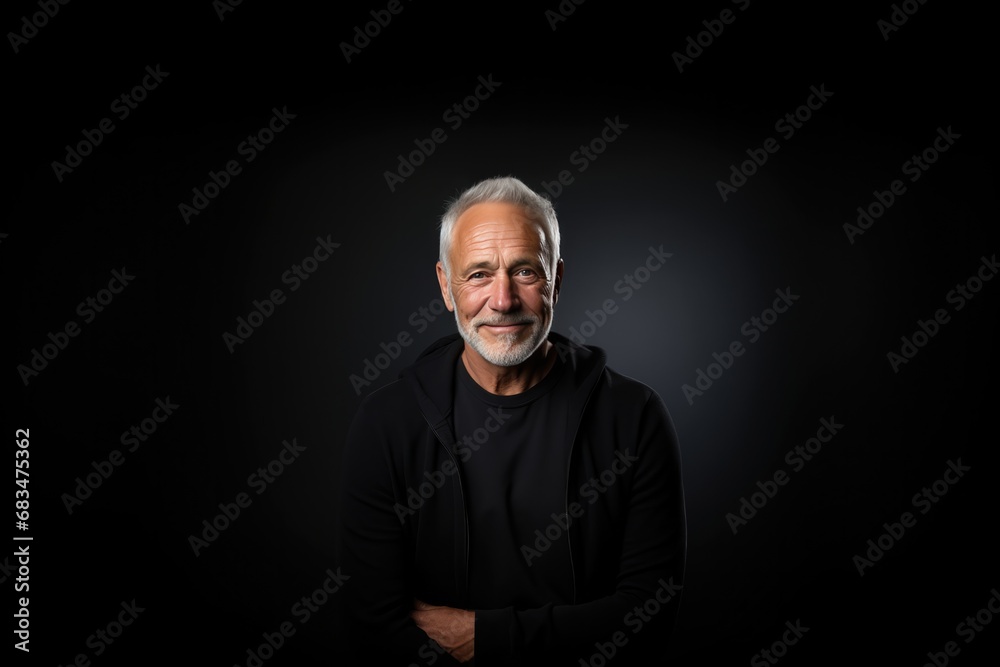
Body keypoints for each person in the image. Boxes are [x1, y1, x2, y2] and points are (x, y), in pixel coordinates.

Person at [338, 176, 686, 666]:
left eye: (524, 271)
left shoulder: (634, 417)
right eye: (478, 274)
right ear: (445, 286)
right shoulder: (386, 423)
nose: (502, 300)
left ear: (557, 281)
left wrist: (487, 636)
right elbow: (372, 627)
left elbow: (649, 618)